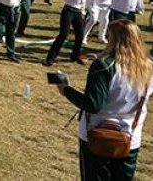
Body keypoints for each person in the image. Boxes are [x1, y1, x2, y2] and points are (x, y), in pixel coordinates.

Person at [55, 19, 153, 180]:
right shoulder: (148, 66)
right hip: (130, 136)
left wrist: (66, 89)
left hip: (96, 134)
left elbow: (93, 104)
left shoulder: (104, 65)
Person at [44, 0, 90, 66]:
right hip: (69, 10)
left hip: (78, 12)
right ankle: (50, 58)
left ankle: (75, 56)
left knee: (80, 36)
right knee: (63, 34)